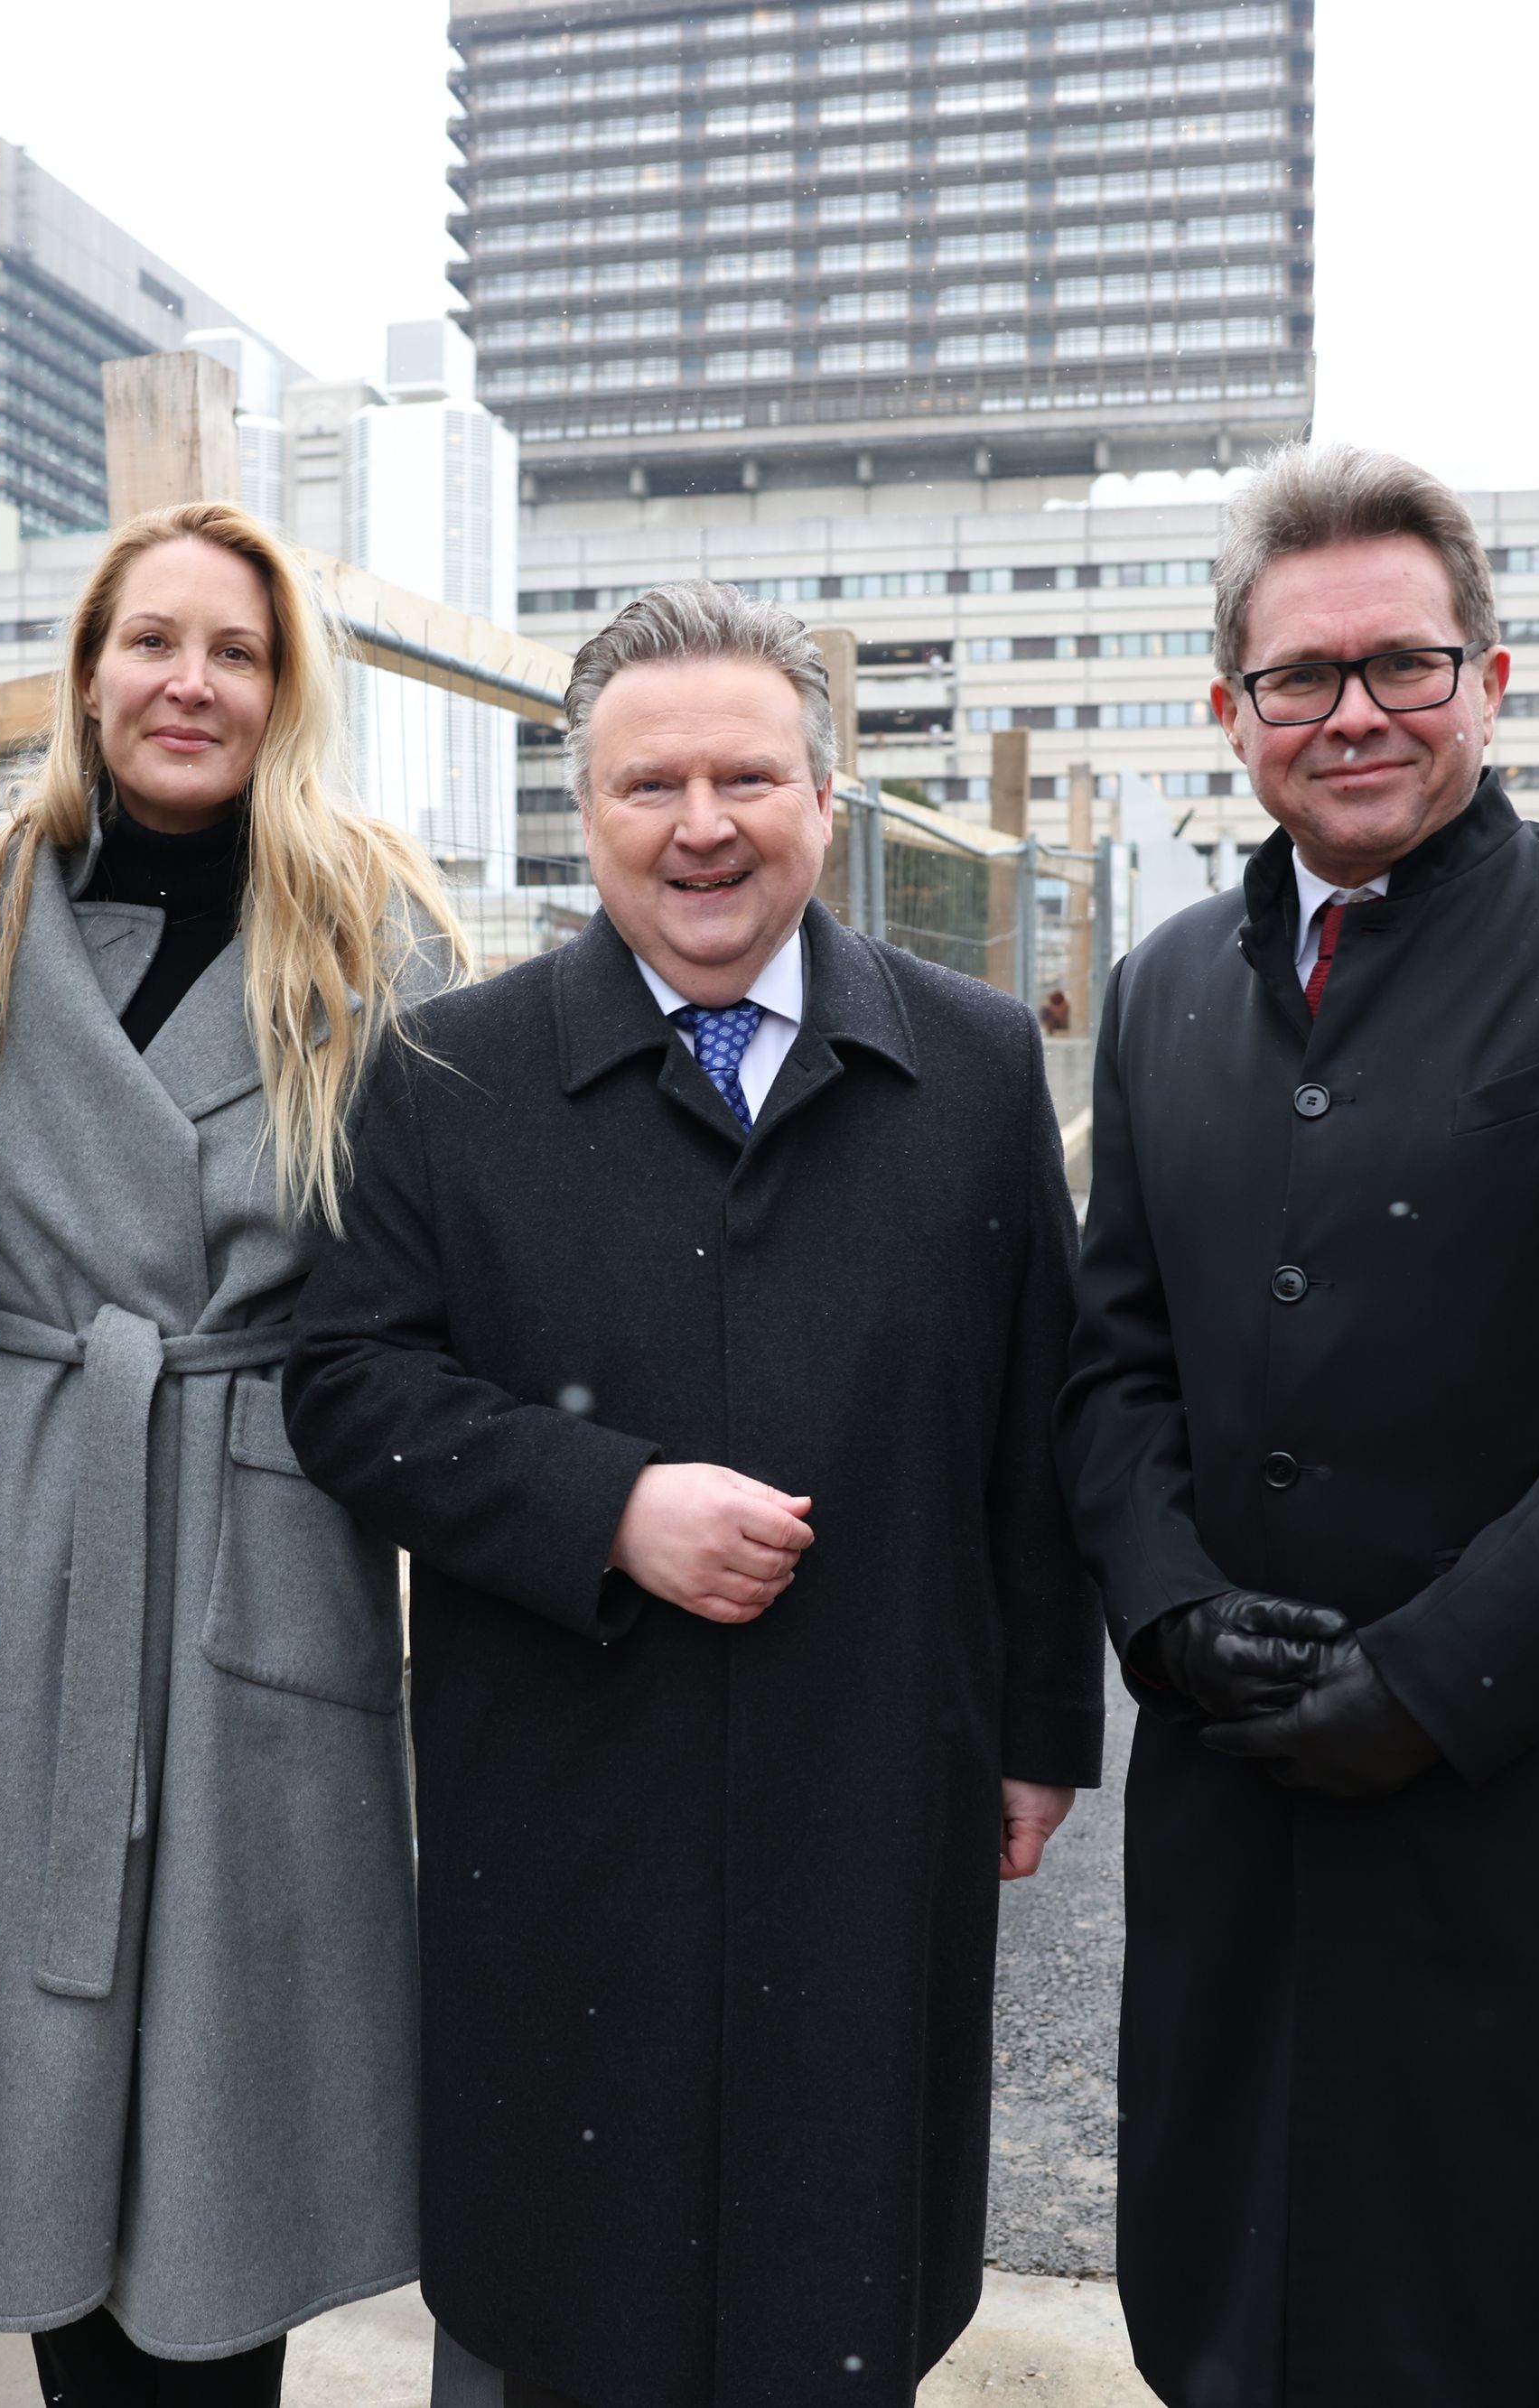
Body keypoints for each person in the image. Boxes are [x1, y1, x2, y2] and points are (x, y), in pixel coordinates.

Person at [281, 581, 1103, 2408]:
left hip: (878, 1769)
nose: (702, 824)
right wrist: (606, 1501)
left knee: (840, 2271)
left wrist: (1039, 1721)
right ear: (584, 814)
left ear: (825, 795)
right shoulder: (441, 1074)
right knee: (564, 2287)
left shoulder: (967, 1064)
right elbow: (346, 1383)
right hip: (570, 1785)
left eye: (747, 773)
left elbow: (1040, 1421)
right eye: (649, 784)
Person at [1057, 444, 1539, 2406]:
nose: (1352, 714)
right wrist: (1158, 1604)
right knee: (1249, 2298)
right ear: (1228, 714)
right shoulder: (1159, 996)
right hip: (1241, 1791)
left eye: (1400, 662)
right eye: (1297, 678)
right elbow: (1111, 1357)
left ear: (1488, 676)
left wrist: (1432, 1677)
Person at [0, 500, 467, 2405]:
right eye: (151, 642)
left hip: (255, 1542)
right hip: (27, 1519)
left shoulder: (374, 916)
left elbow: (462, 1260)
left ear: (284, 686)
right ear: (87, 670)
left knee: (226, 2115)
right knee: (40, 2110)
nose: (188, 681)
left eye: (234, 649)